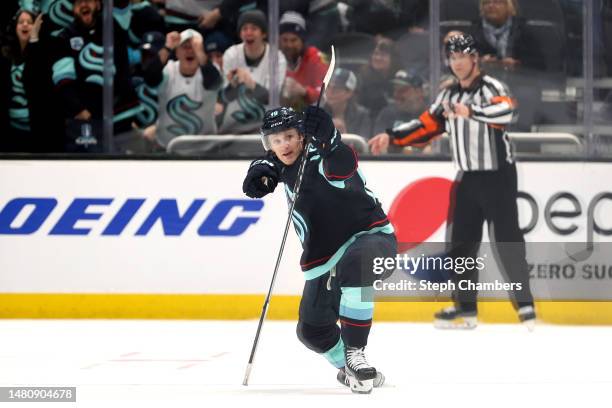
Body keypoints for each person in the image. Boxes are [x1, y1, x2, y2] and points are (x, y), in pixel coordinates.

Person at [369, 34, 536, 330]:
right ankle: (466, 309)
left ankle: (525, 306)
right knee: (461, 244)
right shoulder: (448, 96)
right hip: (468, 177)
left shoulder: (492, 87)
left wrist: (471, 112)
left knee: (507, 239)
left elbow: (508, 111)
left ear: (475, 58)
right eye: (453, 58)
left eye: (463, 57)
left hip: (499, 174)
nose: (457, 63)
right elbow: (426, 125)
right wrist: (392, 136)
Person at [242, 105, 397, 393]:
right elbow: (275, 166)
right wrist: (260, 169)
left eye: (289, 136)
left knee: (356, 264)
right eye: (275, 140)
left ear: (302, 136)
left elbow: (340, 165)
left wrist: (331, 139)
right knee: (312, 331)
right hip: (325, 260)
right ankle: (346, 368)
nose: (283, 145)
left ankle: (356, 354)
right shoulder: (281, 163)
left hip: (373, 240)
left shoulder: (321, 156)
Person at [53, 0, 142, 152]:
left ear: (99, 4)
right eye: (79, 2)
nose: (84, 5)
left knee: (125, 168)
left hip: (120, 112)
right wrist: (78, 109)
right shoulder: (65, 37)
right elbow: (63, 79)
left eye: (88, 0)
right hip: (88, 117)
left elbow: (122, 6)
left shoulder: (114, 26)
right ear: (73, 9)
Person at [142, 29, 222, 149]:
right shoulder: (168, 71)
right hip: (167, 150)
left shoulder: (210, 70)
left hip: (205, 152)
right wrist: (167, 47)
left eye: (194, 47)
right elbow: (150, 78)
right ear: (177, 52)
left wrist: (200, 52)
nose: (190, 51)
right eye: (185, 47)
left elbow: (214, 83)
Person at [0, 9, 64, 152]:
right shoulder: (6, 56)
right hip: (12, 132)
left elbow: (37, 82)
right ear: (15, 27)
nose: (25, 25)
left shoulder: (44, 51)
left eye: (29, 22)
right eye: (21, 22)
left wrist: (34, 38)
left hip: (38, 132)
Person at [217, 9, 287, 133]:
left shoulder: (276, 57)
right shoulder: (231, 54)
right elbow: (223, 99)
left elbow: (273, 98)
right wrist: (233, 85)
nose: (248, 33)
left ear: (263, 34)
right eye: (244, 29)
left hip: (266, 129)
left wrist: (250, 83)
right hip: (233, 127)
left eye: (254, 28)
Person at [279, 11, 328, 111]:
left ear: (302, 40)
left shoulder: (315, 57)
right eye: (285, 40)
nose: (289, 45)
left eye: (293, 40)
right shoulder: (273, 58)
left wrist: (304, 91)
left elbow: (326, 94)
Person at [371, 70, 427, 153]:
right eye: (395, 90)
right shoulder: (387, 114)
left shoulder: (432, 114)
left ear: (418, 92)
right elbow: (378, 146)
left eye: (402, 90)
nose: (396, 95)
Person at [322, 68, 371, 138]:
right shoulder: (316, 110)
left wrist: (345, 134)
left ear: (349, 93)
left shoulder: (362, 115)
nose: (330, 92)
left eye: (336, 88)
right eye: (328, 86)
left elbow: (364, 144)